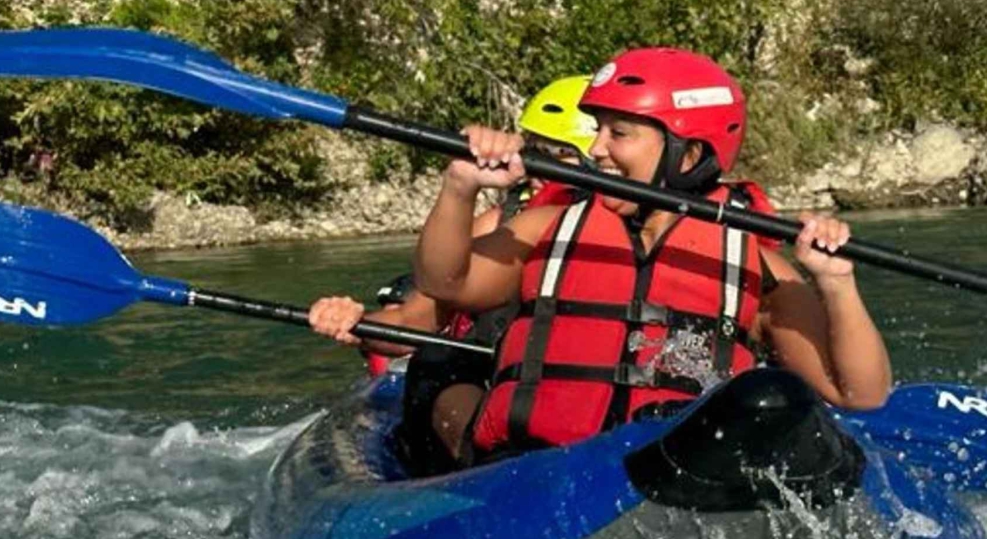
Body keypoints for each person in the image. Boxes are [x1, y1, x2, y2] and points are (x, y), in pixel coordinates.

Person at [409, 47, 892, 467]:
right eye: (599, 130)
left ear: (687, 155)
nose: (596, 148)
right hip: (534, 464)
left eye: (619, 134)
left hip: (674, 469)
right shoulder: (549, 226)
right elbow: (444, 282)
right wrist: (460, 187)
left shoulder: (755, 268)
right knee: (435, 372)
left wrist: (837, 283)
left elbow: (859, 394)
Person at [307, 76, 599, 470]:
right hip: (491, 388)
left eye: (559, 153)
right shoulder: (502, 225)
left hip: (582, 396)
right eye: (533, 150)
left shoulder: (639, 227)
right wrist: (358, 323)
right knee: (438, 359)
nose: (537, 167)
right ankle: (489, 468)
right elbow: (414, 319)